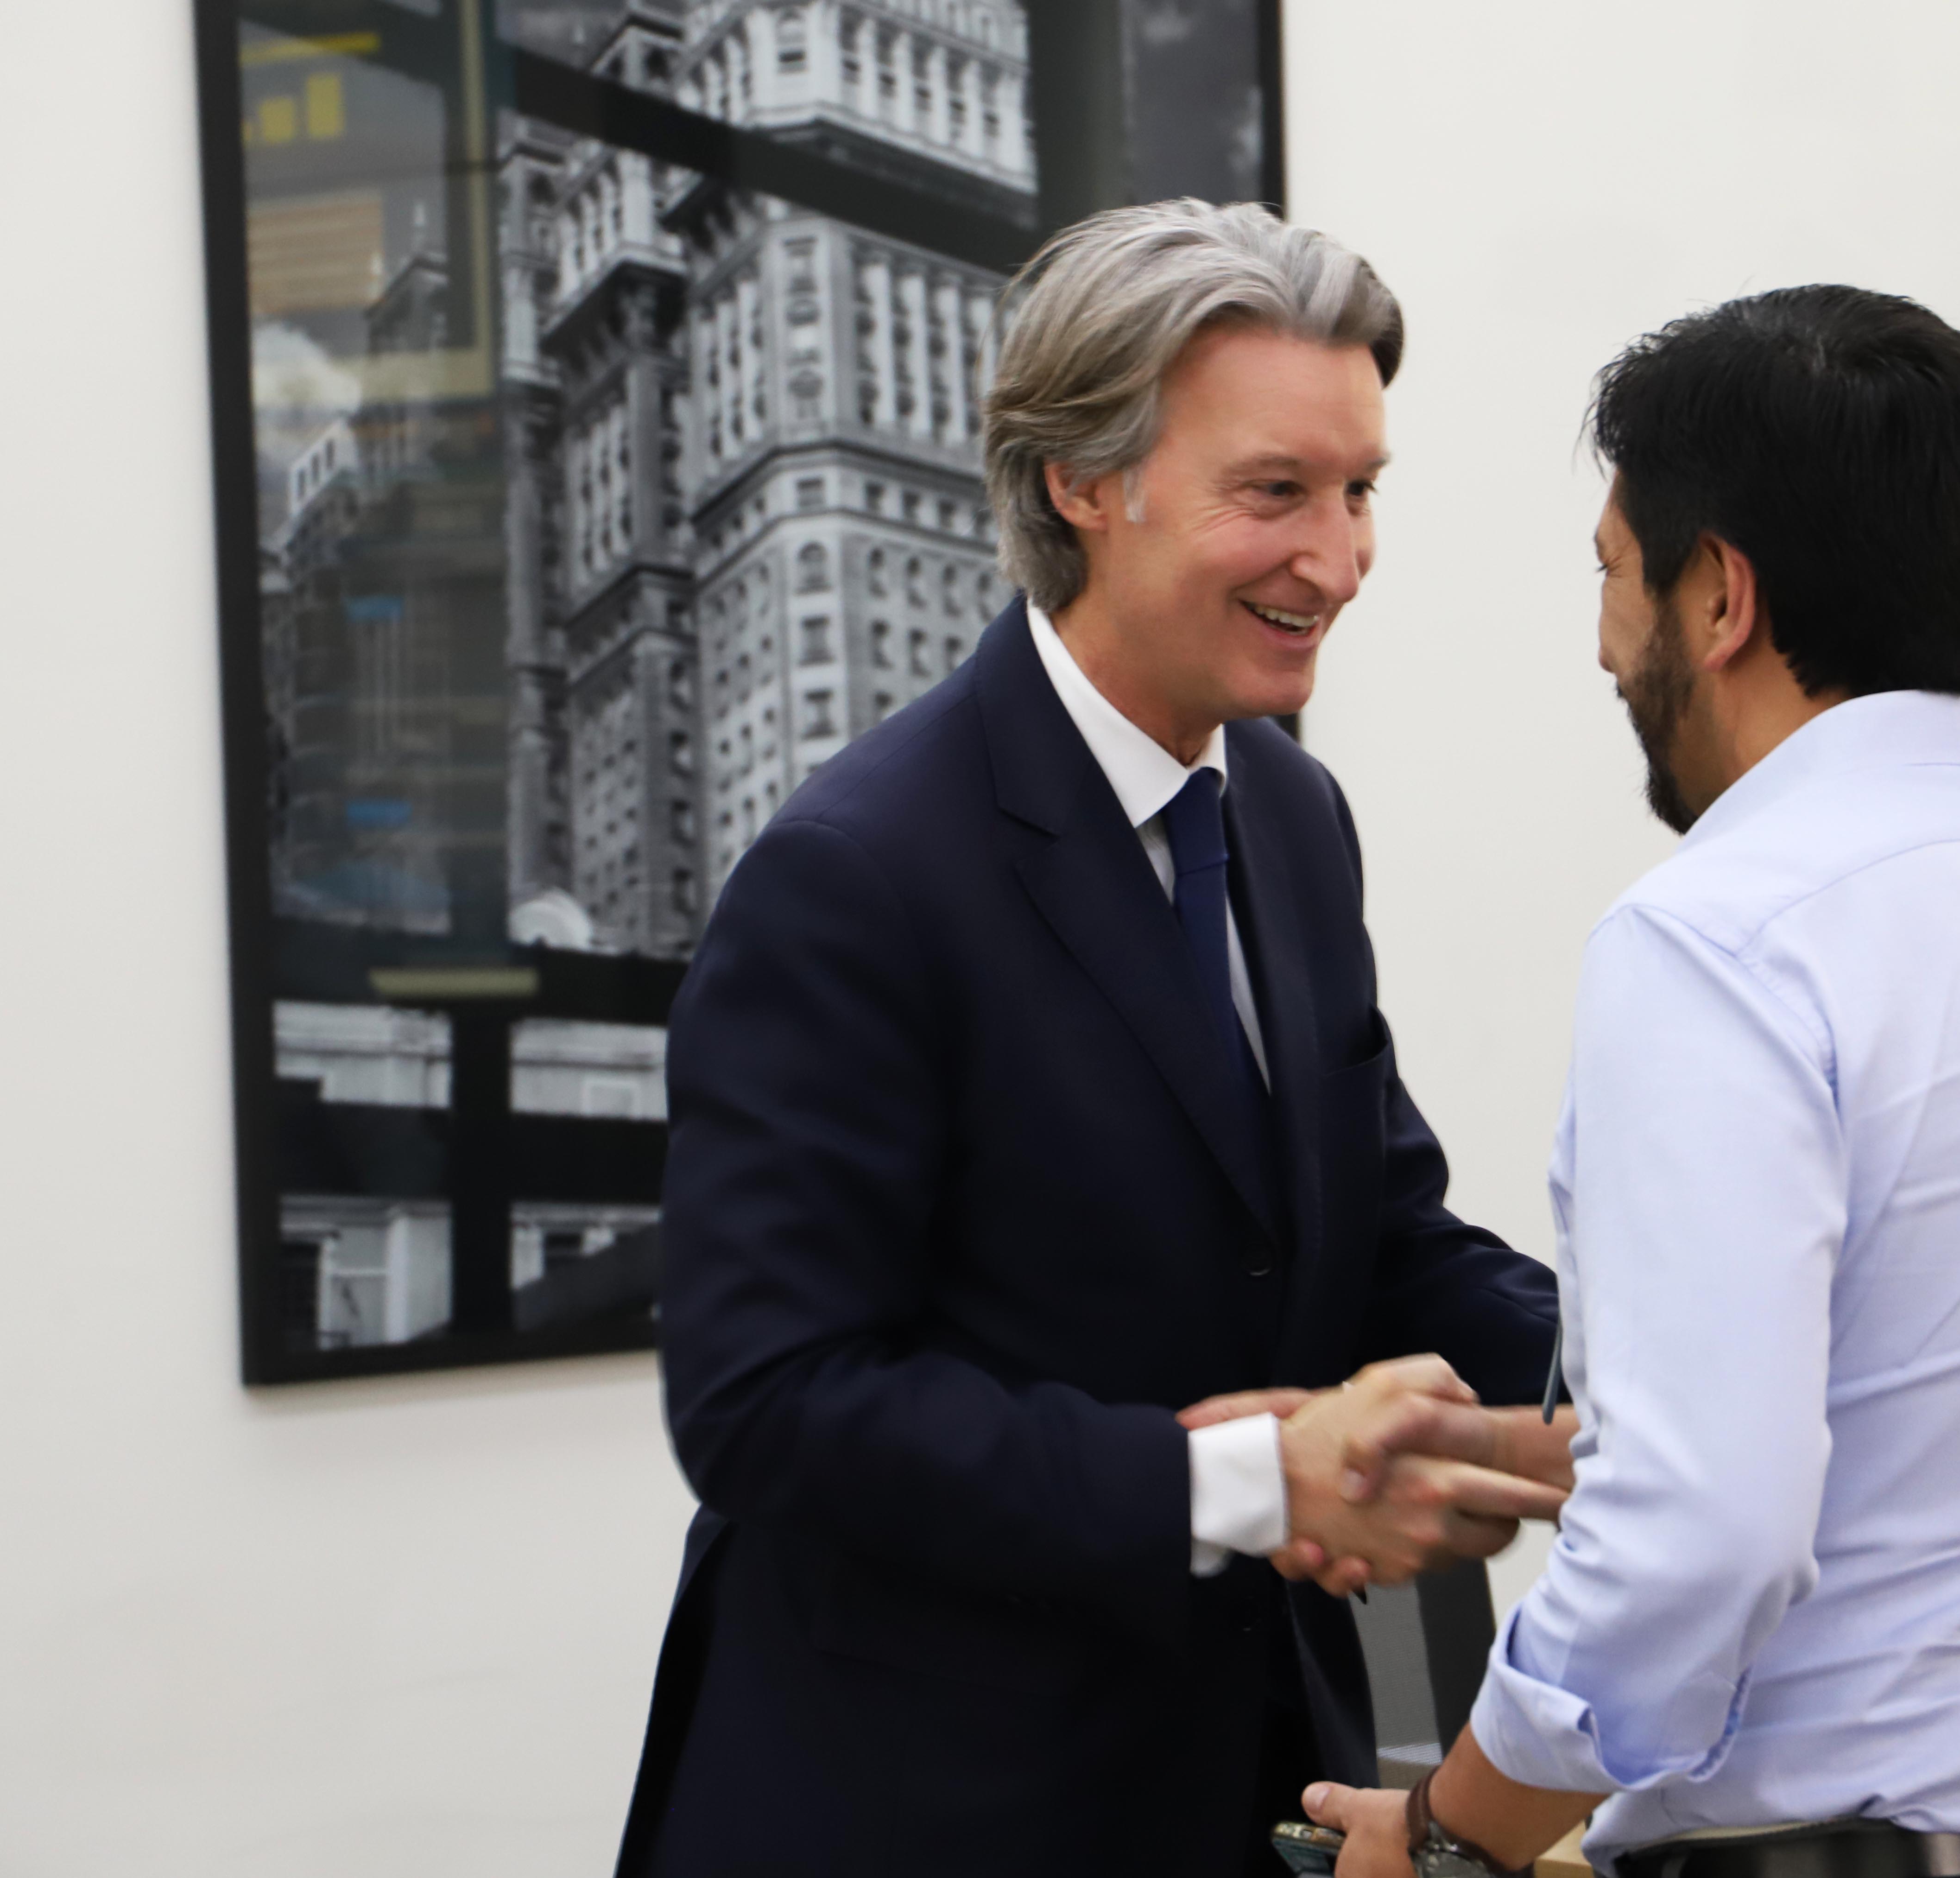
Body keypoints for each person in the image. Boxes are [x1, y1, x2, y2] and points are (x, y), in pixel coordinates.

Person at [610, 200, 1566, 1878]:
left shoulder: (1290, 814)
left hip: (1232, 1783)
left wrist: (1642, 1383)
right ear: (1079, 481)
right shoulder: (854, 873)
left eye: (1357, 492)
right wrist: (1253, 1481)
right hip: (928, 1811)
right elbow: (769, 1404)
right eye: (1274, 492)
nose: (1337, 560)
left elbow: (1377, 1238)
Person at [1303, 286, 1960, 1878]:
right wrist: (1571, 1447)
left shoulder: (1715, 938)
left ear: (1718, 597)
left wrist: (1447, 1834)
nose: (1603, 642)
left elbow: (1698, 1546)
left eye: (1613, 574)